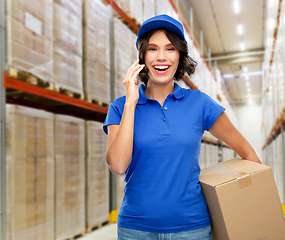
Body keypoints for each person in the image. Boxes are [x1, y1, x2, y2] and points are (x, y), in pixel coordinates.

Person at [103, 14, 261, 240]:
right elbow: (118, 165)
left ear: (180, 55)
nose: (161, 57)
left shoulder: (200, 104)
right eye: (152, 49)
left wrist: (250, 206)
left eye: (170, 49)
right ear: (142, 57)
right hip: (135, 230)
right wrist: (131, 102)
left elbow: (247, 153)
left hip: (191, 229)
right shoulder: (120, 107)